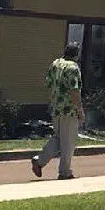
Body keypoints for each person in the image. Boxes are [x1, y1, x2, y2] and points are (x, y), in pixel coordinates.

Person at [31, 43, 85, 180]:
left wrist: (52, 102)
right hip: (69, 109)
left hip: (56, 108)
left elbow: (49, 84)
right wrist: (80, 109)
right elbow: (74, 90)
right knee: (68, 142)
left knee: (58, 138)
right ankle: (65, 171)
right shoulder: (73, 68)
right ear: (76, 55)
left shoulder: (56, 64)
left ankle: (39, 160)